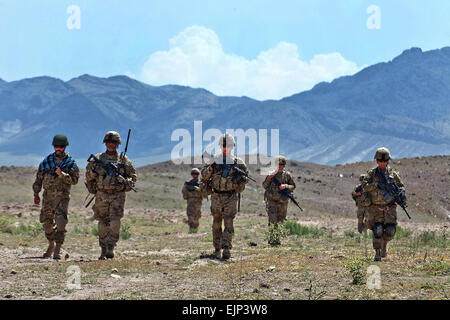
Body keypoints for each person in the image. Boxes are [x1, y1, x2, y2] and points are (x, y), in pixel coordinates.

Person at [85, 131, 137, 260]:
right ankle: (103, 249)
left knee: (115, 222)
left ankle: (111, 247)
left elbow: (133, 177)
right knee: (102, 223)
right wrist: (95, 172)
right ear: (105, 143)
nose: (111, 145)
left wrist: (125, 182)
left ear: (118, 144)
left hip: (117, 195)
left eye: (113, 142)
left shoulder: (123, 160)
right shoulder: (98, 158)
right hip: (101, 194)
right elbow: (88, 176)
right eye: (108, 142)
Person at [200, 134, 249, 260]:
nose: (225, 148)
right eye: (223, 145)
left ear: (232, 147)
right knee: (216, 223)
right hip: (216, 195)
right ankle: (217, 248)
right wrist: (211, 168)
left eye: (228, 146)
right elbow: (204, 176)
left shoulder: (238, 162)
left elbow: (245, 178)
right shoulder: (214, 160)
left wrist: (240, 179)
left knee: (229, 222)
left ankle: (226, 248)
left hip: (230, 196)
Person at [32, 134, 79, 259]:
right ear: (53, 147)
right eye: (56, 146)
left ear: (65, 147)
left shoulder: (70, 163)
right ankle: (51, 244)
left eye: (61, 147)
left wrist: (62, 174)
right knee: (47, 224)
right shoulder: (46, 162)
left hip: (62, 197)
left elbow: (74, 180)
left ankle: (58, 248)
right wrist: (36, 193)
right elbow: (38, 180)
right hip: (47, 197)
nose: (58, 149)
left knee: (61, 222)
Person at [362, 147, 406, 261]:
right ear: (377, 161)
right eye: (380, 161)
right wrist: (375, 185)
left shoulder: (393, 175)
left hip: (389, 208)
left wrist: (400, 195)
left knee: (391, 231)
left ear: (388, 161)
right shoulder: (372, 173)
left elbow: (401, 186)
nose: (382, 163)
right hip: (375, 207)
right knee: (378, 230)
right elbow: (364, 186)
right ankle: (377, 252)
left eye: (385, 161)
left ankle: (384, 243)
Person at [262, 156, 296, 245]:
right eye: (278, 164)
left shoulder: (287, 175)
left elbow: (293, 186)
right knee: (272, 221)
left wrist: (286, 186)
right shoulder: (271, 174)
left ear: (284, 165)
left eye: (281, 164)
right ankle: (272, 241)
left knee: (281, 220)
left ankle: (278, 240)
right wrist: (269, 177)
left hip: (283, 202)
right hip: (272, 201)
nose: (280, 166)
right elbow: (264, 186)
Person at [182, 168, 203, 233]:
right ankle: (191, 229)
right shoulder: (188, 183)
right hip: (190, 201)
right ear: (191, 174)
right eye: (193, 174)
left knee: (197, 215)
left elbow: (204, 192)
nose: (195, 175)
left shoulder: (201, 183)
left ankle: (195, 229)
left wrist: (199, 190)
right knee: (190, 215)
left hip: (198, 201)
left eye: (196, 174)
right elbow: (184, 191)